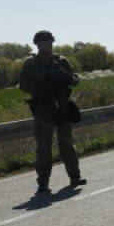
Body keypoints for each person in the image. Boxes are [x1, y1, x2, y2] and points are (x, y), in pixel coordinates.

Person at [18, 30, 86, 193]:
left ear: (52, 43)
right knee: (43, 149)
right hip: (43, 109)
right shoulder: (30, 63)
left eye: (48, 42)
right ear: (37, 44)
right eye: (42, 43)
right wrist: (39, 85)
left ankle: (75, 177)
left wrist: (68, 78)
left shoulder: (61, 61)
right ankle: (43, 183)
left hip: (62, 107)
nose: (45, 45)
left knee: (67, 144)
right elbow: (22, 85)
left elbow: (75, 80)